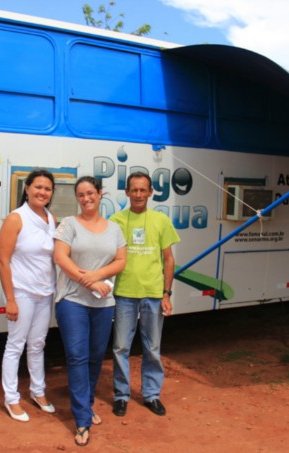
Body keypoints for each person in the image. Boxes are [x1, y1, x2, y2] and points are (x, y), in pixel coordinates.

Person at [53, 176, 127, 447]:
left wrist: (98, 276)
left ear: (100, 194)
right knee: (76, 357)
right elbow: (60, 257)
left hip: (102, 303)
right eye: (81, 195)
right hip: (72, 301)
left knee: (96, 357)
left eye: (90, 193)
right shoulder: (69, 225)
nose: (86, 199)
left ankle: (87, 402)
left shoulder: (114, 228)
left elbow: (121, 261)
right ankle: (82, 419)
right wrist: (90, 280)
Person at [110, 171, 181, 417]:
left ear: (151, 192)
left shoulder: (161, 221)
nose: (138, 194)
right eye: (134, 190)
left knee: (152, 348)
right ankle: (121, 395)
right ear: (127, 192)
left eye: (143, 190)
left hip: (152, 294)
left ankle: (151, 395)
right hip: (124, 294)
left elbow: (169, 260)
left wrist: (166, 293)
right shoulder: (116, 220)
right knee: (120, 347)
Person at [0, 169, 57, 422]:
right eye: (38, 187)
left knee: (38, 344)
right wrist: (10, 299)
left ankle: (38, 391)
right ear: (27, 188)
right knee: (15, 345)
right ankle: (11, 398)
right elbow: (3, 260)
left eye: (47, 189)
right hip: (21, 293)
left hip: (44, 293)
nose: (42, 192)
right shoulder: (16, 219)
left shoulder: (49, 217)